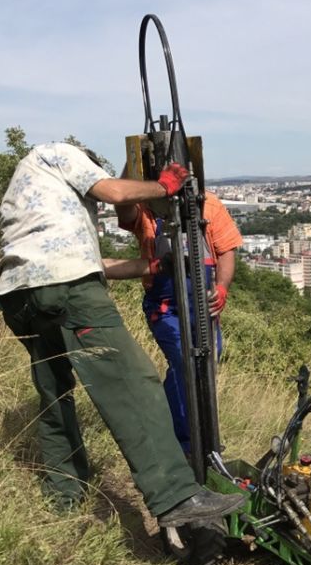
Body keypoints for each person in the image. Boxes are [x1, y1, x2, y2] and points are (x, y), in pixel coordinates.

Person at [0, 142, 244, 529]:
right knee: (135, 385)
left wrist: (155, 264)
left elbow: (100, 262)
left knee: (54, 391)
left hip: (18, 294)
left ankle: (64, 496)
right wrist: (164, 185)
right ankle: (177, 495)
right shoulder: (61, 152)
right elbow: (116, 193)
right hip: (68, 288)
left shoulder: (28, 186)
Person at [103, 187, 241, 455]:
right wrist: (133, 170)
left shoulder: (208, 205)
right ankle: (188, 444)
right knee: (183, 360)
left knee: (208, 360)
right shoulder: (145, 207)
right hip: (165, 307)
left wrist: (222, 287)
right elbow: (124, 208)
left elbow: (226, 250)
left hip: (203, 305)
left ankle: (171, 424)